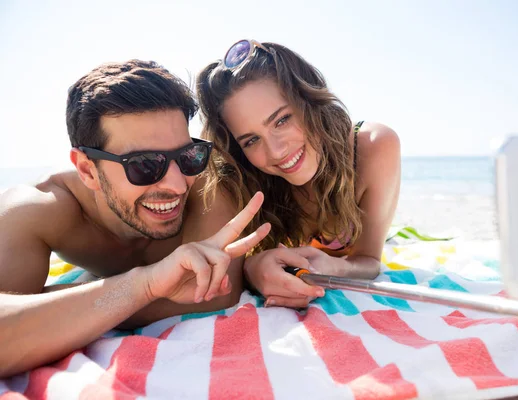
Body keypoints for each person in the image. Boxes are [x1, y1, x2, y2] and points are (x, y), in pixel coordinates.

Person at [0, 59, 270, 378]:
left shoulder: (209, 184)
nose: (176, 183)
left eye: (187, 156)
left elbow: (213, 295)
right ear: (87, 169)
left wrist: (59, 305)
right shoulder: (36, 210)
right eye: (144, 164)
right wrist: (144, 286)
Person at [196, 40, 401, 309]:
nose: (276, 151)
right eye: (251, 141)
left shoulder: (371, 147)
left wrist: (335, 267)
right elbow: (221, 261)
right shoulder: (241, 176)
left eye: (282, 120)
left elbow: (370, 261)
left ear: (309, 100)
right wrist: (252, 267)